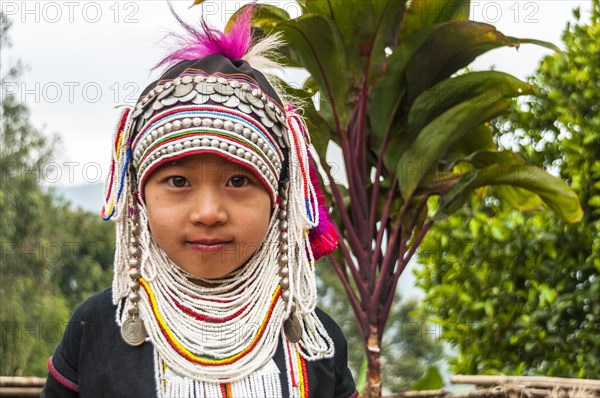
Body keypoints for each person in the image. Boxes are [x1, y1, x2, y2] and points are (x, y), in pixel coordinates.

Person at [41, 5, 357, 398]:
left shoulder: (317, 343)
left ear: (280, 200)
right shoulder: (96, 328)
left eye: (239, 180)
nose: (208, 213)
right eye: (177, 180)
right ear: (138, 196)